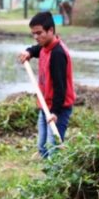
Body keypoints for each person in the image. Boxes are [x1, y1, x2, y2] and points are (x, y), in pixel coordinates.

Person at [18, 11, 76, 158]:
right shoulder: (44, 46)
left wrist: (55, 112)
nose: (36, 37)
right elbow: (37, 49)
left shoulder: (57, 54)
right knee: (42, 147)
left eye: (39, 33)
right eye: (33, 34)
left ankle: (56, 177)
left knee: (53, 149)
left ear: (51, 30)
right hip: (45, 106)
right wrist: (29, 52)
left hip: (58, 109)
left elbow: (60, 88)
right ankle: (48, 177)